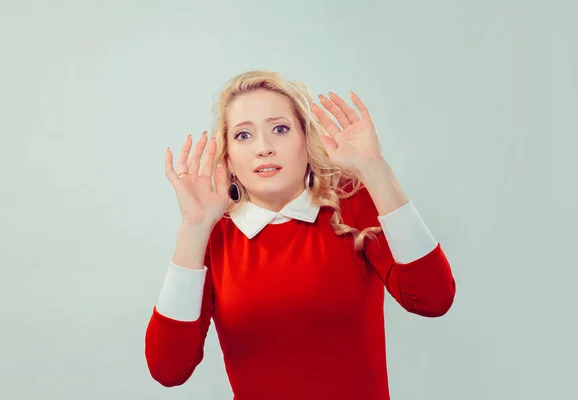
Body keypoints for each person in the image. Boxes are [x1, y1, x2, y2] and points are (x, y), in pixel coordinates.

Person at [144, 70, 456, 400]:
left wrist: (374, 169)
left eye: (280, 129)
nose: (263, 148)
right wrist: (192, 229)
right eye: (243, 136)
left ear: (306, 141)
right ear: (229, 160)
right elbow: (168, 368)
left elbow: (434, 298)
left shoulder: (350, 207)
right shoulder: (213, 237)